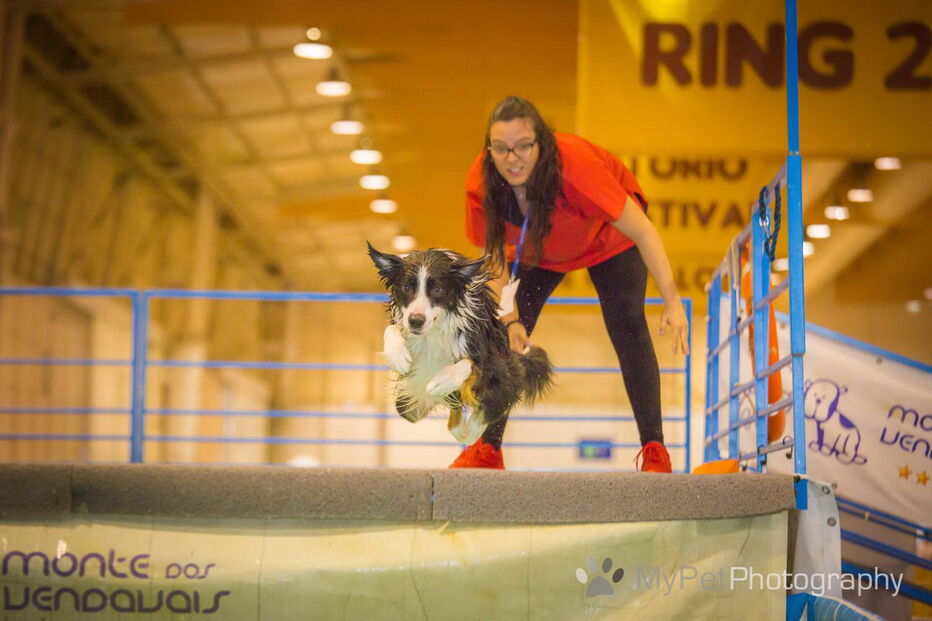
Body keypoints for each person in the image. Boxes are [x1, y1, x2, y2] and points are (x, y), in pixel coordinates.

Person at [450, 95, 689, 473]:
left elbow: (643, 231)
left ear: (541, 144)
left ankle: (655, 450)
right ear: (489, 149)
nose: (512, 158)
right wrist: (511, 321)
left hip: (608, 239)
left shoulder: (577, 168)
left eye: (523, 146)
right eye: (501, 148)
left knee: (627, 322)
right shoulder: (481, 185)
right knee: (500, 333)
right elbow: (493, 262)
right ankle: (487, 450)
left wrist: (672, 301)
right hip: (540, 249)